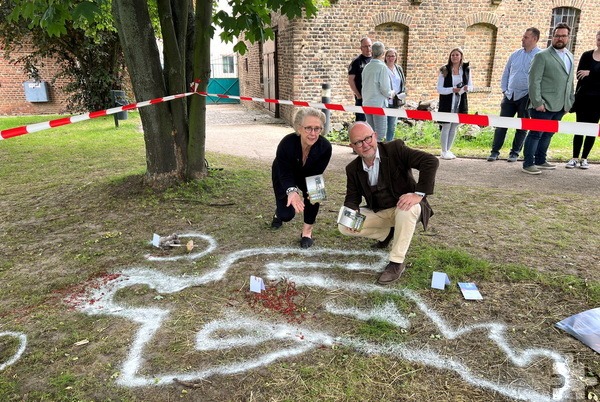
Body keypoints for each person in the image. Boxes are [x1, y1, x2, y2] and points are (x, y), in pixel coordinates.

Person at [338, 122, 439, 285]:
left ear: (375, 136)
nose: (365, 145)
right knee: (344, 223)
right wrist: (352, 211)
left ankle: (396, 262)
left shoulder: (395, 149)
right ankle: (387, 234)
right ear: (352, 146)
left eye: (368, 138)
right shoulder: (352, 168)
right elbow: (352, 198)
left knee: (408, 209)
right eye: (358, 142)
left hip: (404, 208)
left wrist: (418, 194)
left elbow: (430, 161)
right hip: (380, 211)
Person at [271, 107, 332, 248]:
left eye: (317, 128)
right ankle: (278, 213)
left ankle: (307, 232)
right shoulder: (286, 143)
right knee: (286, 215)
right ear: (299, 128)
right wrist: (292, 191)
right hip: (283, 171)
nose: (313, 133)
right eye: (308, 128)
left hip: (310, 173)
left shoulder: (325, 147)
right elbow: (284, 173)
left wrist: (311, 191)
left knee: (316, 193)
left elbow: (317, 173)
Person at [522, 23, 575, 175]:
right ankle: (528, 163)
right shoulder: (542, 56)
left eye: (563, 36)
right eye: (557, 35)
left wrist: (569, 102)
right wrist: (538, 103)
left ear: (568, 38)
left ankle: (540, 160)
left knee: (548, 134)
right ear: (553, 36)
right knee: (535, 134)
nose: (560, 38)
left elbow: (569, 81)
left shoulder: (570, 56)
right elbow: (533, 81)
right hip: (543, 105)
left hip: (561, 105)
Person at [487, 28, 541, 162]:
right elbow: (506, 72)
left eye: (526, 37)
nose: (523, 39)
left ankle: (514, 153)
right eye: (523, 36)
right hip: (510, 95)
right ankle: (494, 152)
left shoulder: (540, 56)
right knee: (501, 125)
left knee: (522, 126)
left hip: (526, 97)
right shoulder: (515, 54)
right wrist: (504, 90)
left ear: (534, 39)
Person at [565, 30, 600, 170]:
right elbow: (580, 75)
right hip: (584, 99)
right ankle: (574, 157)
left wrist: (591, 74)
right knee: (579, 128)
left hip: (598, 102)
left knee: (591, 130)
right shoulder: (586, 55)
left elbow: (587, 75)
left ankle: (584, 158)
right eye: (598, 38)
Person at [437, 48, 473, 160]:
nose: (454, 57)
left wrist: (467, 88)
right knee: (446, 126)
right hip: (447, 102)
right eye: (452, 55)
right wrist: (452, 90)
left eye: (457, 55)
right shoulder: (444, 70)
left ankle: (448, 149)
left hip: (460, 102)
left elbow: (471, 86)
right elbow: (439, 89)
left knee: (454, 126)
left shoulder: (466, 69)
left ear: (461, 56)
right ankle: (443, 151)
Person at [362, 41, 396, 143]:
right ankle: (378, 156)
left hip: (367, 102)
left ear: (372, 52)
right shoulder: (382, 67)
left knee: (370, 133)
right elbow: (385, 89)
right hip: (378, 104)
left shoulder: (366, 67)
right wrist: (391, 93)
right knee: (380, 134)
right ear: (382, 53)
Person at [348, 37, 373, 122]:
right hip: (361, 98)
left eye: (369, 46)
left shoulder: (376, 61)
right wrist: (358, 95)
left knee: (373, 122)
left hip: (373, 98)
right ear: (361, 48)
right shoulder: (356, 62)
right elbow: (351, 80)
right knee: (361, 122)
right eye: (365, 46)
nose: (368, 48)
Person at [385, 48, 406, 142]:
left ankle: (389, 145)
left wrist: (402, 94)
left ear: (396, 57)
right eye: (388, 56)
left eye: (393, 56)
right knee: (383, 126)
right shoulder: (383, 68)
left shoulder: (398, 68)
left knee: (392, 126)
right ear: (385, 57)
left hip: (396, 101)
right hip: (385, 101)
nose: (390, 58)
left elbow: (403, 82)